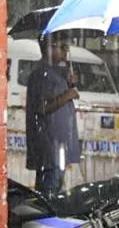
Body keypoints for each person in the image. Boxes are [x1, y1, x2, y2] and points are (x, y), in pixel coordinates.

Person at [25, 31, 81, 194]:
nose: (66, 51)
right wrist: (66, 96)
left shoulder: (52, 72)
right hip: (50, 149)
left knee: (54, 188)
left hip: (57, 149)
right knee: (49, 192)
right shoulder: (42, 74)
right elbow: (41, 107)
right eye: (62, 47)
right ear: (49, 48)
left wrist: (68, 85)